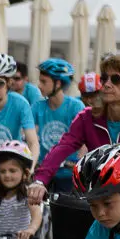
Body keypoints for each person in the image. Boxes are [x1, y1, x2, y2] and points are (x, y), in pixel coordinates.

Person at [29, 54, 120, 214]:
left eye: (116, 79)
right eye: (104, 78)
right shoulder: (87, 117)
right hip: (97, 199)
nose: (107, 84)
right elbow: (63, 146)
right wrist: (40, 181)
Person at [33, 58, 86, 193]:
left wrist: (79, 163)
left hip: (68, 173)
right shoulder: (37, 107)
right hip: (43, 171)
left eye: (44, 82)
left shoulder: (76, 106)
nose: (39, 85)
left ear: (58, 83)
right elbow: (31, 139)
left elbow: (84, 143)